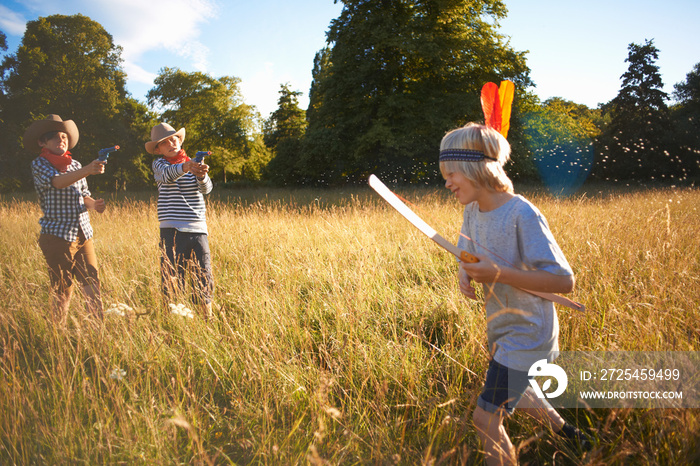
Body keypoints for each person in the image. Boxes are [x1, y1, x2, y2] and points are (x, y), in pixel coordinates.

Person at [439, 123, 588, 464]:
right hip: (502, 325)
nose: (446, 182)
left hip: (529, 332)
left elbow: (563, 280)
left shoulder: (522, 213)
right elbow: (468, 249)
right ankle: (573, 437)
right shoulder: (472, 210)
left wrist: (498, 273)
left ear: (476, 168)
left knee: (486, 418)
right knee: (522, 395)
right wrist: (465, 269)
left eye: (451, 174)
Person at [24, 114, 106, 324]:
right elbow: (57, 183)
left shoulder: (74, 164)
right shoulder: (40, 164)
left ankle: (100, 333)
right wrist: (87, 169)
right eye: (55, 136)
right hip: (57, 236)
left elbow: (84, 195)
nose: (62, 139)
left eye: (64, 136)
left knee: (92, 284)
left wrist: (94, 204)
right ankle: (57, 335)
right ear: (43, 142)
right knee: (63, 289)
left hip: (83, 233)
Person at [146, 123, 214, 318]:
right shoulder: (160, 165)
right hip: (172, 229)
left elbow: (206, 190)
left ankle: (207, 320)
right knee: (172, 278)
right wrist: (186, 167)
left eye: (174, 139)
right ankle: (172, 322)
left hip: (198, 229)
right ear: (158, 150)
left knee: (203, 276)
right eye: (164, 142)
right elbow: (167, 176)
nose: (171, 143)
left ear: (180, 141)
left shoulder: (193, 164)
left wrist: (201, 175)